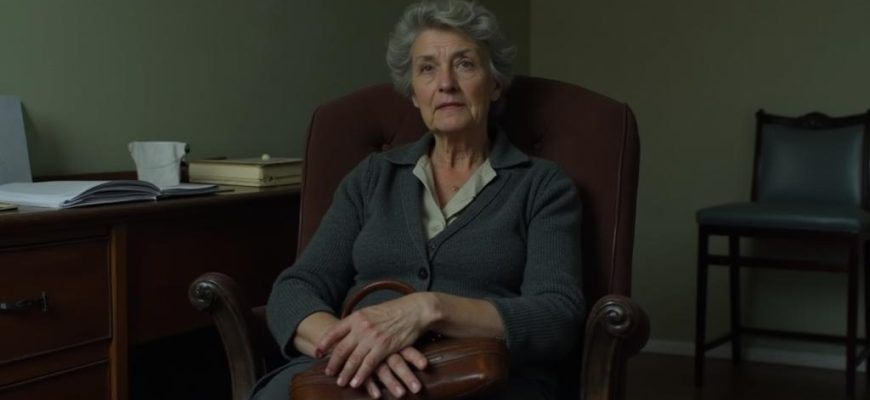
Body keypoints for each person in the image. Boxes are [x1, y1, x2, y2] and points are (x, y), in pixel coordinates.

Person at [251, 1, 584, 399]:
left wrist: (428, 309)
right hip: (351, 377)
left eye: (464, 64)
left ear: (495, 84)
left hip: (478, 378)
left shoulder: (542, 185)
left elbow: (557, 314)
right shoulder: (372, 177)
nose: (445, 83)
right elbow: (295, 288)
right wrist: (359, 348)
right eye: (427, 68)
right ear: (413, 92)